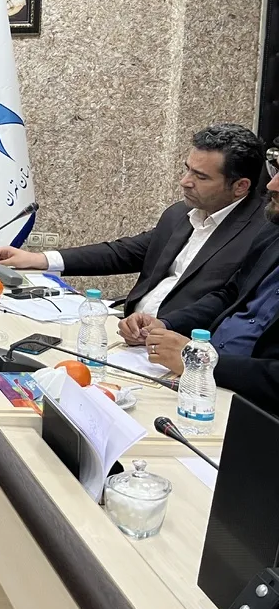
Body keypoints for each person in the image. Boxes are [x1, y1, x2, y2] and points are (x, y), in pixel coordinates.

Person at [0, 123, 270, 322]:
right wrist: (39, 259)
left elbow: (229, 303)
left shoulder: (262, 234)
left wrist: (163, 326)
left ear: (240, 186)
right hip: (125, 329)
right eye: (187, 170)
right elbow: (123, 253)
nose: (185, 182)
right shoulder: (180, 214)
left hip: (175, 347)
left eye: (201, 177)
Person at [123, 144, 279, 415]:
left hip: (250, 406)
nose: (271, 185)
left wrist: (201, 362)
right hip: (202, 381)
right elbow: (230, 295)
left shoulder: (256, 226)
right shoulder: (272, 234)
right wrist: (165, 323)